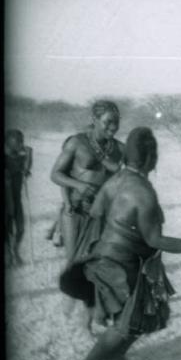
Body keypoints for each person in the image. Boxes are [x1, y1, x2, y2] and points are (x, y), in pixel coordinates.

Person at [59, 127, 181, 360]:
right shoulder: (144, 193)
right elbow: (154, 239)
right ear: (151, 159)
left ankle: (116, 358)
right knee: (125, 324)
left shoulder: (113, 181)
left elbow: (96, 216)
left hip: (111, 259)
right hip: (122, 265)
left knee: (145, 313)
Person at [50, 100, 125, 261]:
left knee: (99, 263)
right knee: (74, 264)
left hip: (103, 213)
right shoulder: (77, 143)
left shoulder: (120, 149)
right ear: (94, 119)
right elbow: (55, 174)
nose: (113, 127)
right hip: (76, 211)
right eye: (108, 122)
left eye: (116, 122)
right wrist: (78, 184)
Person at [5, 129, 32, 266]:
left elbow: (26, 171)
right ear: (8, 141)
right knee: (7, 229)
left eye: (22, 140)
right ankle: (8, 253)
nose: (21, 143)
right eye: (18, 140)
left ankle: (15, 251)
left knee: (21, 228)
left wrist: (29, 154)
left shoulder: (20, 157)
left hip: (16, 199)